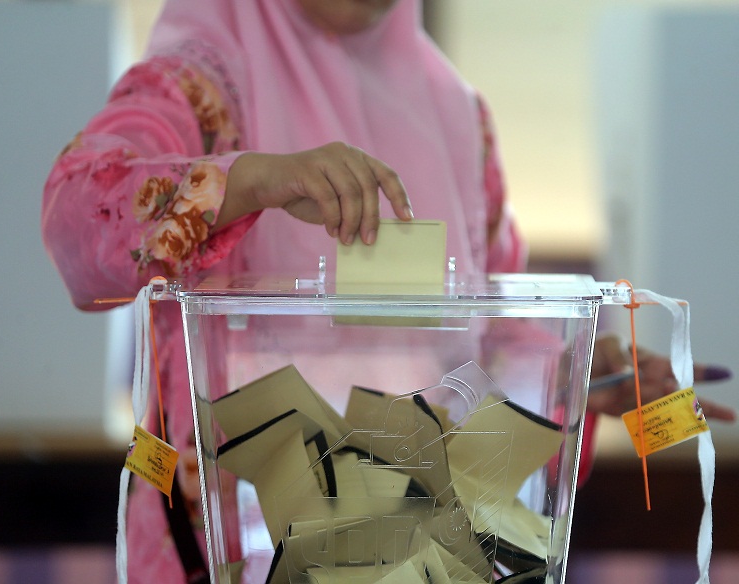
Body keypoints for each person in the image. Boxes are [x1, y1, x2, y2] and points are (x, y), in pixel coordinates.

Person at [41, 1, 733, 582]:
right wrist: (253, 179)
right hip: (230, 552)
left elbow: (488, 345)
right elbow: (76, 218)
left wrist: (573, 378)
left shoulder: (458, 114)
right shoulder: (200, 79)